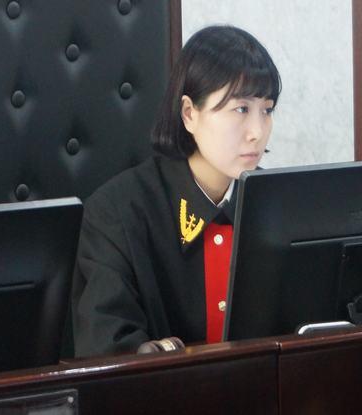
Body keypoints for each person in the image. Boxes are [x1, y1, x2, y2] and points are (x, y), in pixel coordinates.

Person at [70, 25, 281, 357]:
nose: (257, 131)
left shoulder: (277, 203)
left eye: (266, 110)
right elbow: (106, 347)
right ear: (189, 114)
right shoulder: (117, 212)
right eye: (241, 109)